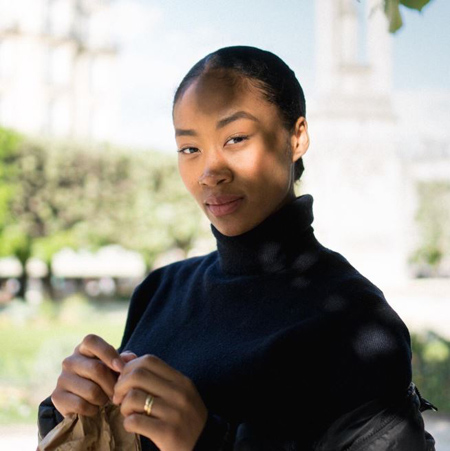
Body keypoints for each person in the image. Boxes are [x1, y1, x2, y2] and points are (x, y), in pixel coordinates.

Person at [38, 46, 436, 450]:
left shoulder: (357, 321)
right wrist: (71, 411)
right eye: (190, 148)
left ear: (297, 137)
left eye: (236, 138)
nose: (211, 172)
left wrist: (204, 440)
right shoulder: (160, 291)